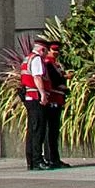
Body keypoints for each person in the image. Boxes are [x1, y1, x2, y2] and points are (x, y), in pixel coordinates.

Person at [21, 38, 69, 170]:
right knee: (39, 131)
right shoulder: (37, 59)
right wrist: (43, 94)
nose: (52, 53)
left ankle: (33, 160)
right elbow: (37, 77)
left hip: (32, 97)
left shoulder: (29, 58)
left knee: (34, 130)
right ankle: (37, 160)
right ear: (43, 49)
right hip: (36, 97)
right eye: (50, 50)